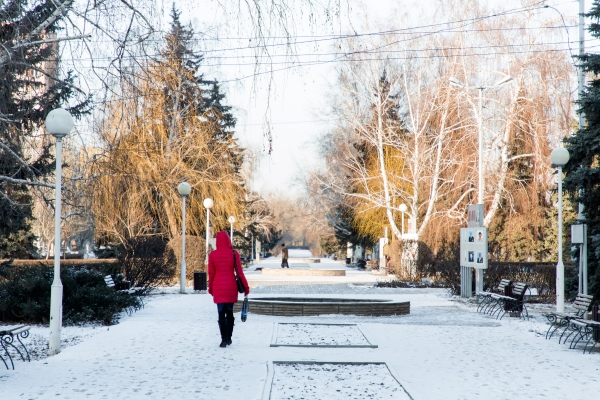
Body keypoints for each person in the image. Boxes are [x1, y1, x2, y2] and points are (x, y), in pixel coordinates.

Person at [208, 231, 250, 348]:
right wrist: (246, 287)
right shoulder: (234, 253)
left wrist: (211, 288)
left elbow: (211, 274)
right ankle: (229, 338)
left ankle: (223, 340)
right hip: (231, 286)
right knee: (230, 313)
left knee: (221, 314)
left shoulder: (213, 255)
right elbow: (240, 273)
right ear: (228, 240)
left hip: (218, 286)